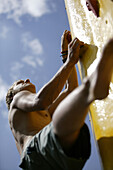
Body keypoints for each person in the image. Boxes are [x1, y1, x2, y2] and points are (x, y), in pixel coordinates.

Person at [6, 30, 113, 170]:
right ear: (13, 95)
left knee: (69, 113)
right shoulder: (17, 101)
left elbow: (71, 91)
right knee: (60, 125)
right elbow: (40, 100)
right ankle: (89, 90)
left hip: (57, 160)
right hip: (36, 155)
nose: (26, 80)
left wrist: (65, 55)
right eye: (19, 83)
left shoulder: (44, 115)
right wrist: (69, 62)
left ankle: (89, 91)